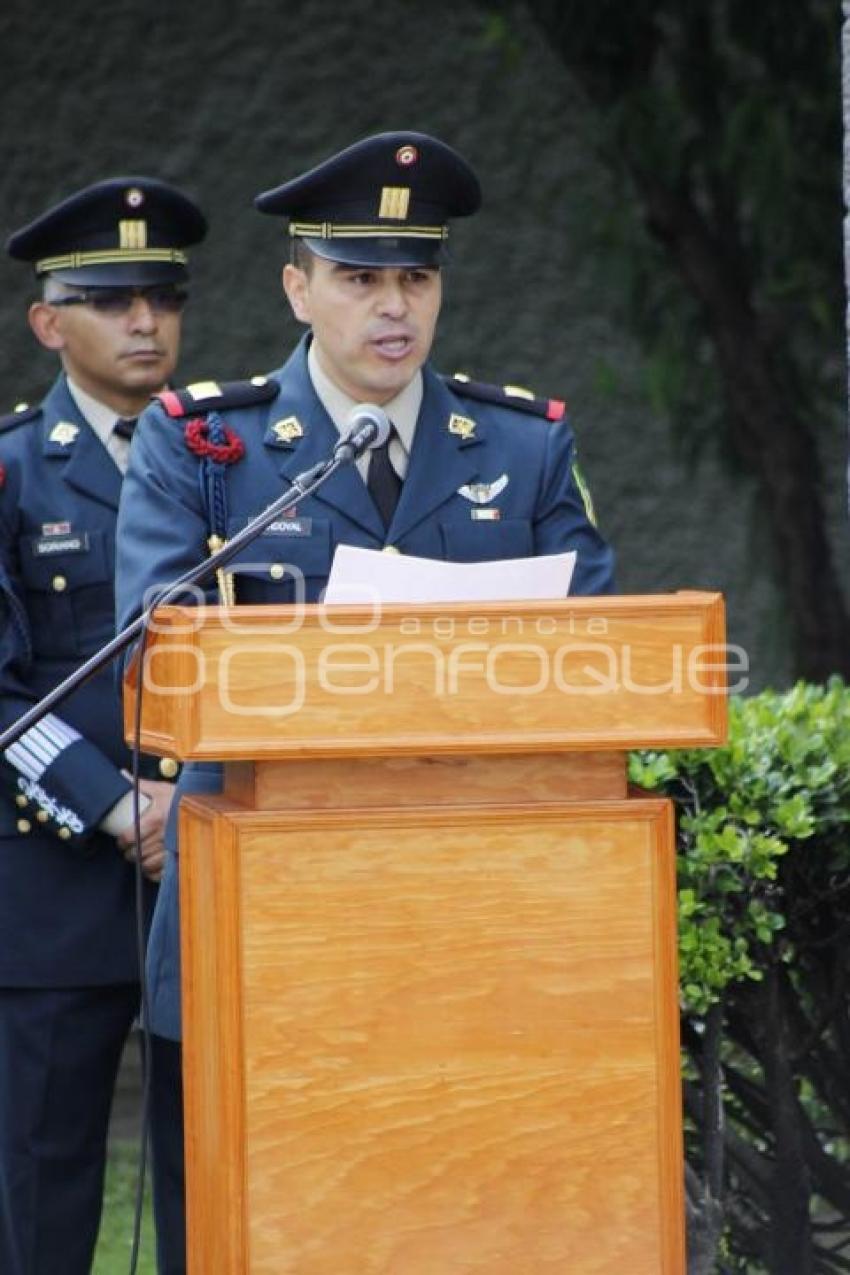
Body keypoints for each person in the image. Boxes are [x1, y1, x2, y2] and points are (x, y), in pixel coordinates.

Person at [113, 130, 616, 1258]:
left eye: (416, 276)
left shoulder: (523, 447)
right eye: (358, 277)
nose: (393, 306)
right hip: (264, 912)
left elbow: (598, 651)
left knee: (454, 1218)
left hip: (477, 914)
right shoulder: (204, 446)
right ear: (298, 288)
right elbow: (153, 669)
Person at [0, 176, 206, 1275]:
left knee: (214, 1177)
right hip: (54, 888)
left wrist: (198, 800)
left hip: (212, 876)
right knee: (41, 1189)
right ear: (49, 323)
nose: (145, 323)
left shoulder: (233, 461)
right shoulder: (13, 472)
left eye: (164, 300)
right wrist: (119, 804)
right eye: (115, 300)